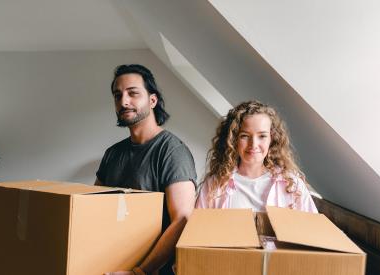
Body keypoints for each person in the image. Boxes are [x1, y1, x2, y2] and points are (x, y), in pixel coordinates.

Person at [95, 64, 197, 275]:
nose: (123, 101)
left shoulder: (172, 151)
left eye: (133, 93)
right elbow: (94, 209)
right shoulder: (112, 154)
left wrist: (139, 272)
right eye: (117, 95)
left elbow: (182, 220)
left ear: (152, 100)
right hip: (110, 265)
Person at [196, 101, 317, 213]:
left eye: (262, 136)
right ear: (233, 140)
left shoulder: (292, 185)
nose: (253, 144)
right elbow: (198, 231)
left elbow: (313, 230)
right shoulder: (213, 186)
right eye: (244, 136)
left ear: (272, 138)